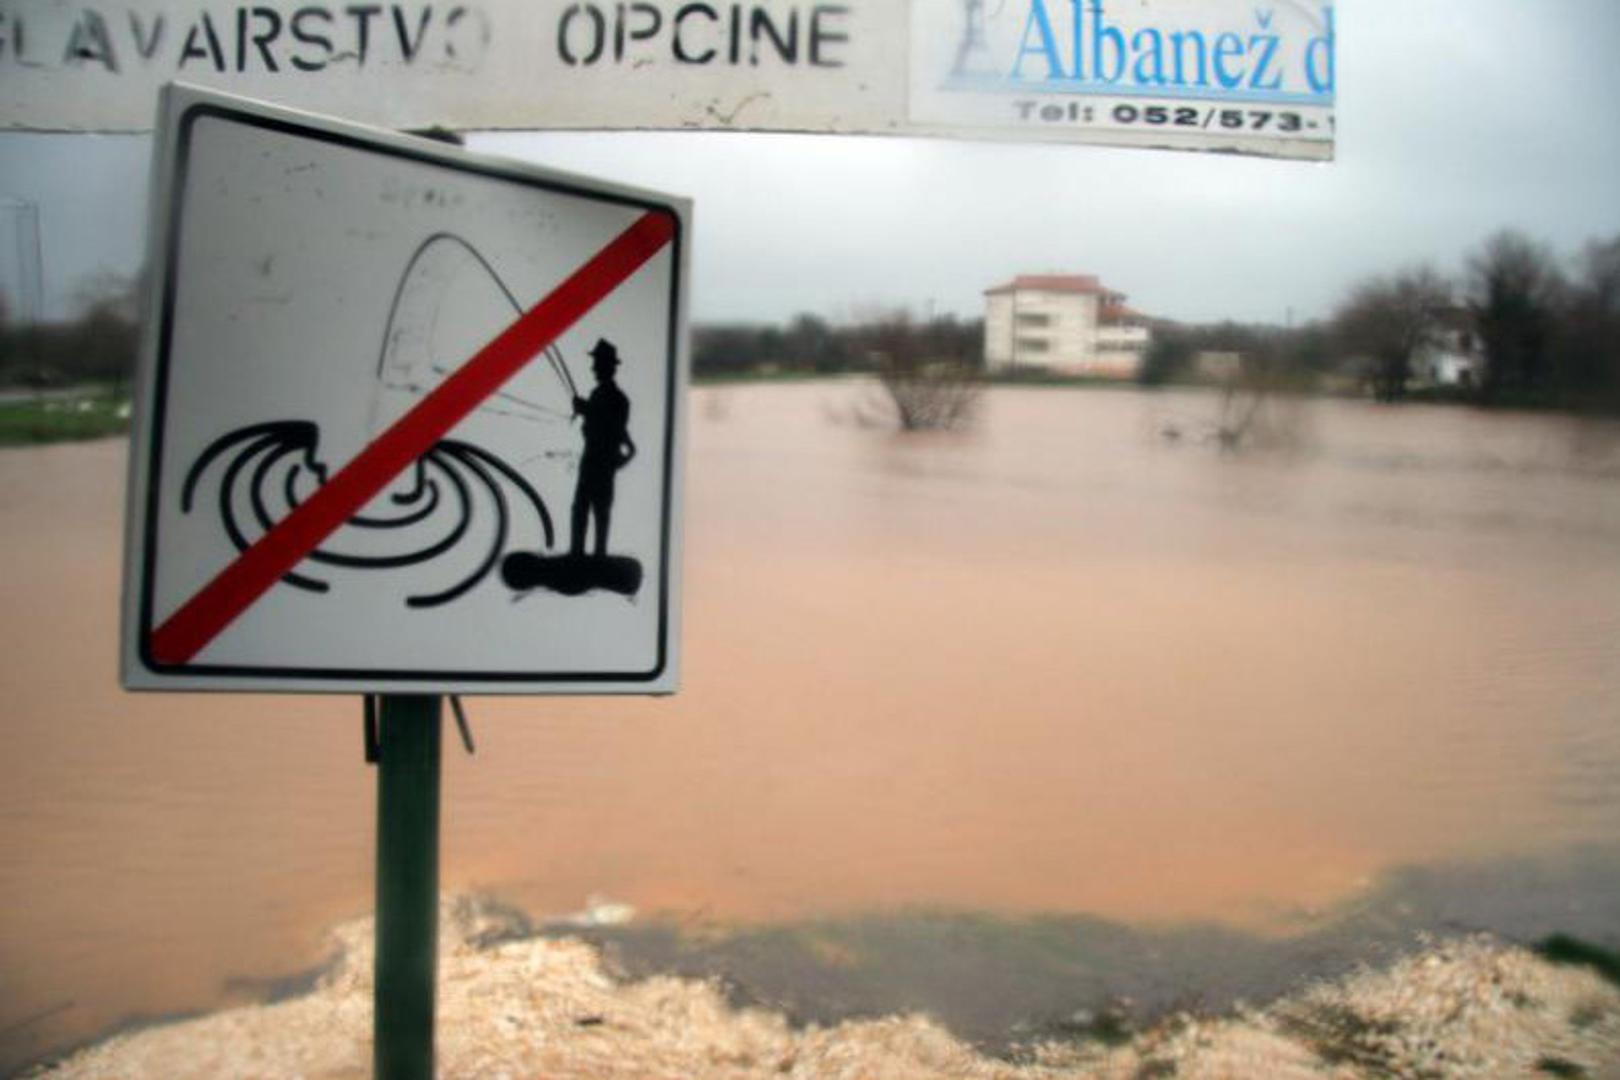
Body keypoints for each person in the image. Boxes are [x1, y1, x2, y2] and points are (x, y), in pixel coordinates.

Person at [570, 338, 636, 557]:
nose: (594, 368)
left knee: (598, 511)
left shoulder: (619, 399)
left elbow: (612, 428)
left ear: (608, 366)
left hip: (601, 463)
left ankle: (596, 557)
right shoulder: (598, 395)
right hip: (591, 461)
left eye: (597, 363)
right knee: (581, 509)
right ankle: (577, 555)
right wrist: (586, 411)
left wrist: (587, 411)